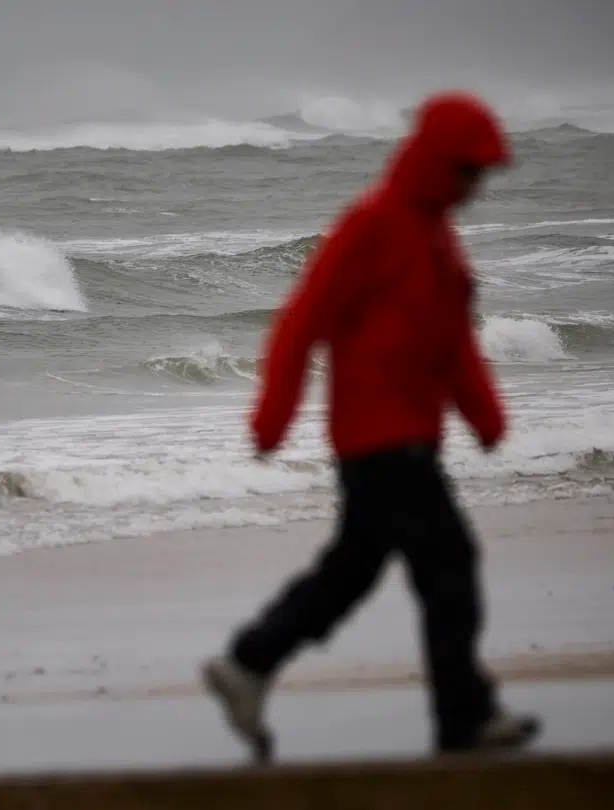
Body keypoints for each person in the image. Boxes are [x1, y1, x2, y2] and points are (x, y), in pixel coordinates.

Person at [201, 91, 541, 761]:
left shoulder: (438, 240)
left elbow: (453, 344)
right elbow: (302, 321)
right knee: (449, 566)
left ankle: (248, 663)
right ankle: (462, 721)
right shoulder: (373, 226)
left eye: (481, 176)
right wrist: (272, 417)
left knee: (352, 571)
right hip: (377, 439)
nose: (475, 187)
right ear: (435, 162)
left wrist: (484, 414)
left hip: (411, 435)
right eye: (467, 172)